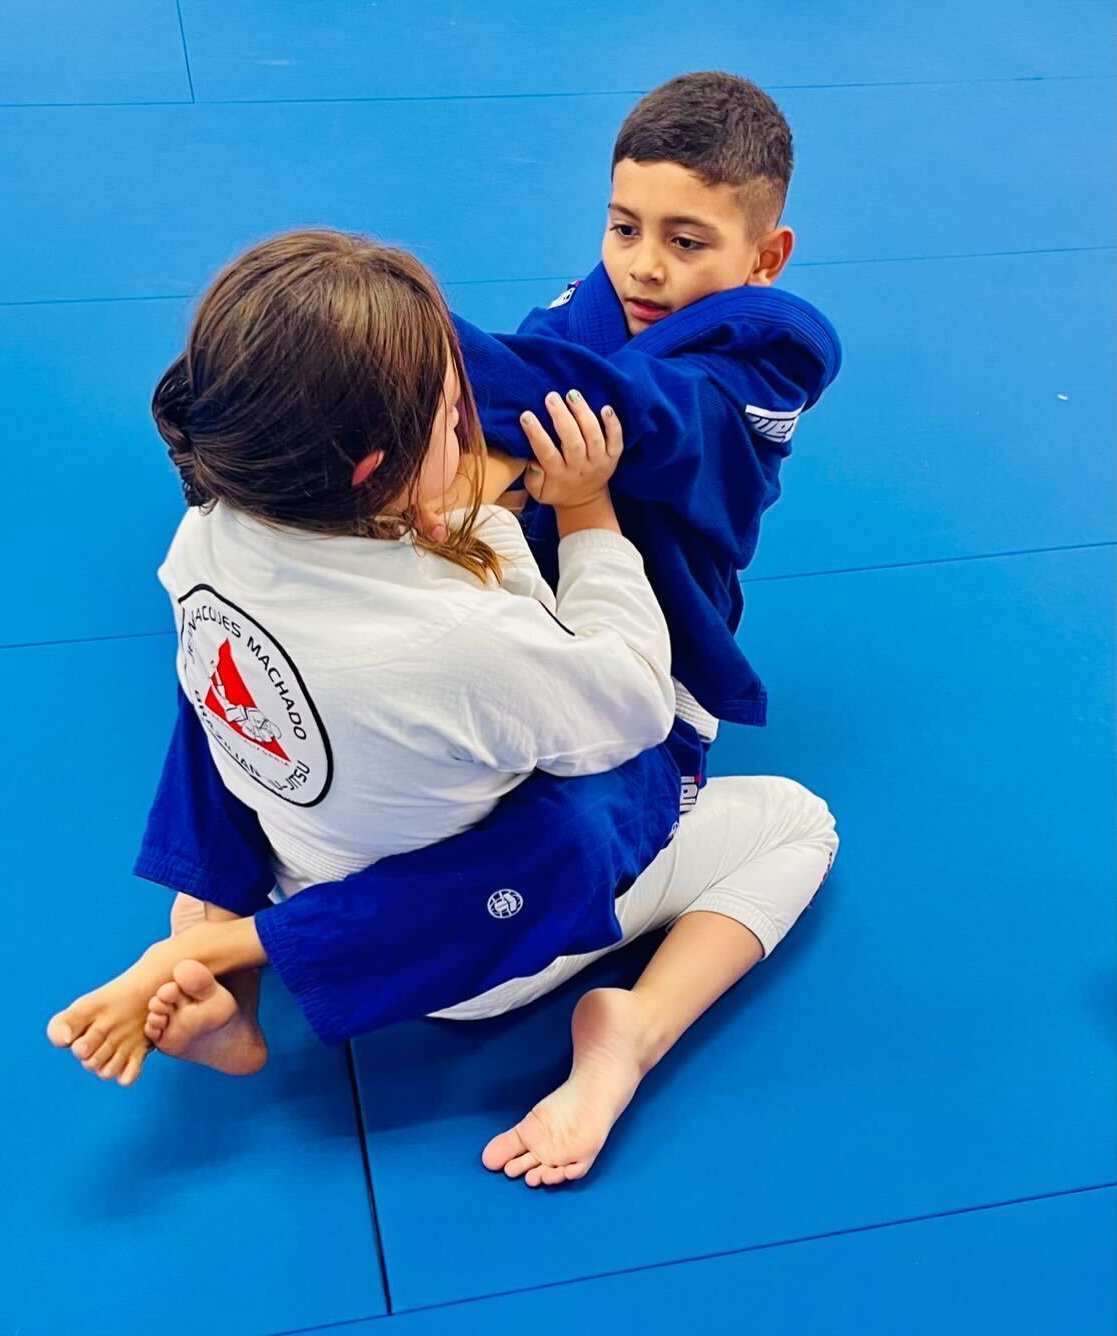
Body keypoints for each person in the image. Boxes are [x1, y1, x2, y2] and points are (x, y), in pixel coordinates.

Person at [47, 232, 838, 1188]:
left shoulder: (207, 533)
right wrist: (586, 509)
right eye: (455, 414)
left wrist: (471, 508)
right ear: (377, 465)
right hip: (460, 955)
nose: (471, 423)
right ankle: (635, 1031)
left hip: (287, 856)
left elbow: (391, 585)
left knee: (225, 701)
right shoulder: (457, 646)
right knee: (791, 823)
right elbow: (628, 700)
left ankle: (217, 952)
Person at [135, 71, 843, 1040]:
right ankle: (215, 911)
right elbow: (529, 404)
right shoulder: (589, 317)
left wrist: (367, 336)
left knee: (554, 816)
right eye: (623, 227)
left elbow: (617, 404)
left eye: (685, 243)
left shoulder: (762, 368)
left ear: (768, 257)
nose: (641, 267)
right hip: (534, 650)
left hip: (636, 641)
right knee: (233, 667)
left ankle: (227, 926)